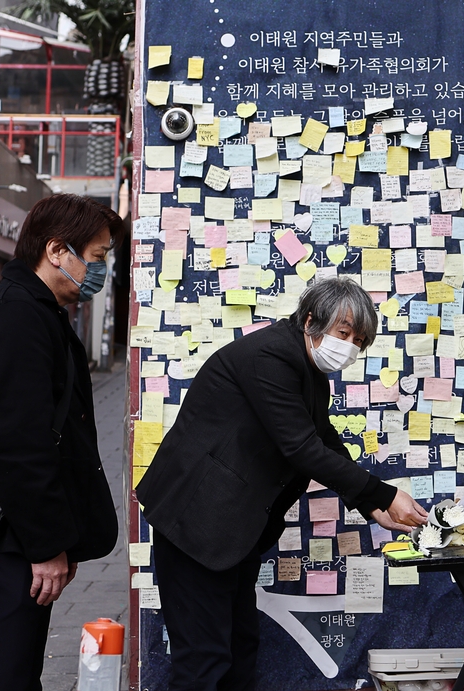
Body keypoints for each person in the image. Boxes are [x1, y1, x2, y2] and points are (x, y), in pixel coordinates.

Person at [136, 277, 428, 691]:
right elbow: (302, 449)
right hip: (195, 525)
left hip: (230, 531)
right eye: (343, 333)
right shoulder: (271, 356)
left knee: (239, 649)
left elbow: (324, 438)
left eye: (359, 341)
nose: (349, 347)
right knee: (203, 661)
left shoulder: (307, 369)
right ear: (311, 320)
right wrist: (381, 493)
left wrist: (369, 504)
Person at [0, 193, 123, 691]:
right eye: (98, 256)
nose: (102, 270)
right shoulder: (16, 317)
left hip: (18, 537)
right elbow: (16, 446)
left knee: (15, 673)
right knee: (3, 675)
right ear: (58, 250)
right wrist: (45, 547)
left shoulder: (38, 313)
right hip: (6, 544)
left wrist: (60, 538)